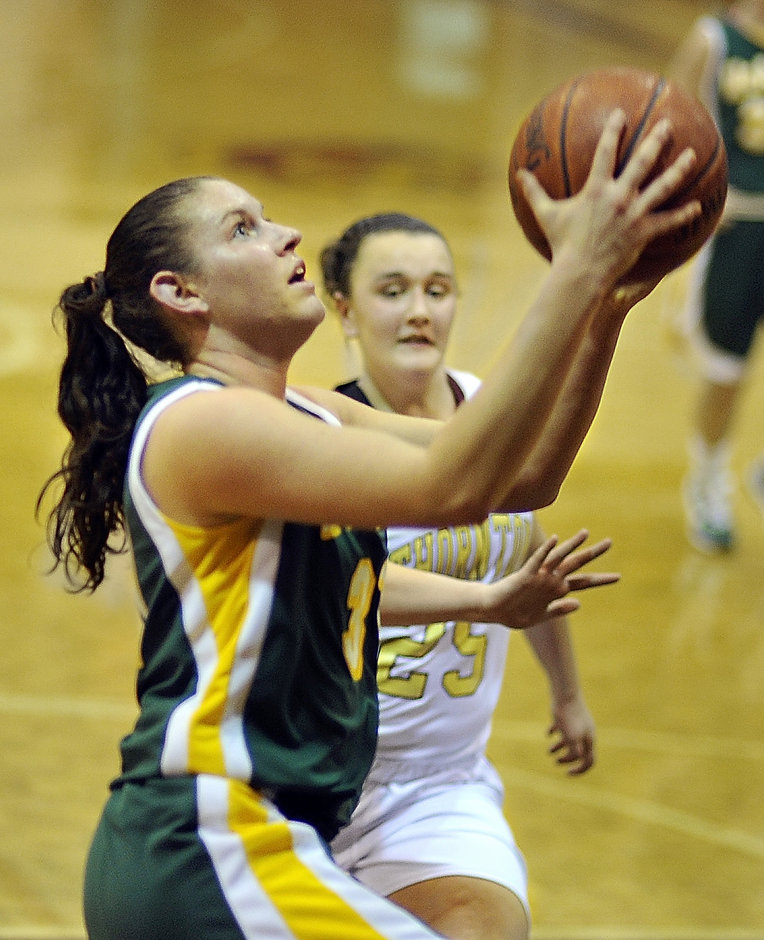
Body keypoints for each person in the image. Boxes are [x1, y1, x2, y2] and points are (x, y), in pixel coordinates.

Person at [36, 112, 700, 940]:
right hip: (212, 839)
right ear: (182, 291)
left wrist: (604, 306)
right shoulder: (202, 427)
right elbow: (452, 485)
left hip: (258, 840)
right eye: (244, 227)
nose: (287, 234)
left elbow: (526, 477)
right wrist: (573, 267)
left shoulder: (304, 413)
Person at [320, 212, 601, 940]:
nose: (419, 310)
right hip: (313, 776)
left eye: (437, 289)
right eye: (393, 290)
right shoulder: (320, 439)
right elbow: (341, 590)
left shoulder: (484, 406)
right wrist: (488, 601)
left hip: (438, 786)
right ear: (344, 308)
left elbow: (525, 562)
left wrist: (567, 693)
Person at [670, 0, 764, 552]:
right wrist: (698, 191)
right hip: (736, 232)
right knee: (727, 377)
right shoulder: (713, 39)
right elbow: (670, 118)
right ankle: (706, 482)